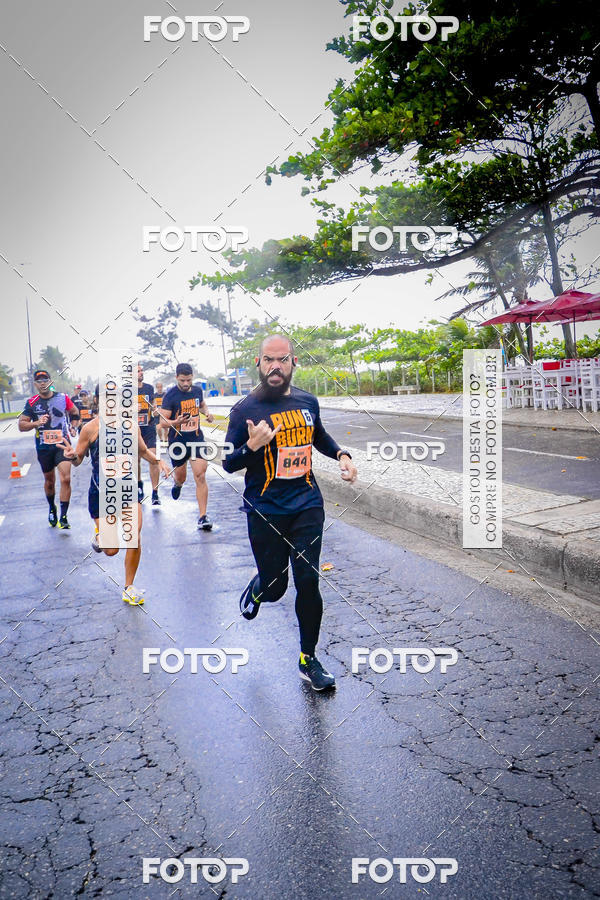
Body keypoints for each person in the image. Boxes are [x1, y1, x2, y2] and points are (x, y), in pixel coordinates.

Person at [222, 334, 358, 691]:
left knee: (308, 580)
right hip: (265, 508)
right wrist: (252, 446)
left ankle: (308, 658)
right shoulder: (244, 410)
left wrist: (342, 455)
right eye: (269, 360)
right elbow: (228, 461)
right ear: (259, 364)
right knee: (276, 587)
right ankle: (259, 586)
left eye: (282, 360)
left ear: (293, 362)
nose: (276, 367)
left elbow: (320, 437)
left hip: (306, 503)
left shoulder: (307, 401)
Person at [58, 392, 169, 605]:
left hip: (127, 488)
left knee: (134, 534)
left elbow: (143, 451)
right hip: (102, 492)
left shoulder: (130, 426)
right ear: (100, 402)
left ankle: (129, 587)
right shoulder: (90, 428)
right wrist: (72, 457)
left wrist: (159, 461)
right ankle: (100, 534)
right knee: (111, 550)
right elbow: (79, 459)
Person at [18, 369, 80, 528]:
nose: (43, 383)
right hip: (44, 448)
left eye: (45, 380)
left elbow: (75, 413)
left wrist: (73, 427)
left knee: (66, 478)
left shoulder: (63, 398)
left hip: (62, 445)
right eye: (39, 381)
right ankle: (52, 507)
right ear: (35, 384)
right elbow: (21, 425)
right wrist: (36, 423)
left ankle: (64, 516)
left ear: (50, 382)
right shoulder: (32, 402)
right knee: (50, 481)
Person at [160, 363, 215, 530]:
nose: (186, 384)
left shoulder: (197, 390)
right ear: (176, 377)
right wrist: (177, 422)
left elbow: (202, 404)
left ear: (193, 377)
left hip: (196, 438)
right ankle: (178, 484)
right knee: (182, 476)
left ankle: (203, 516)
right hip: (177, 442)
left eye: (189, 380)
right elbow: (163, 422)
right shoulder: (170, 396)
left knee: (200, 474)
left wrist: (207, 413)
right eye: (182, 380)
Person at [136, 364, 161, 505]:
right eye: (138, 371)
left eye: (141, 370)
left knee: (153, 458)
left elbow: (153, 404)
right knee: (136, 460)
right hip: (133, 429)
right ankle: (139, 486)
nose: (141, 373)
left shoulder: (149, 388)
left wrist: (155, 411)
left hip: (149, 427)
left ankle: (155, 493)